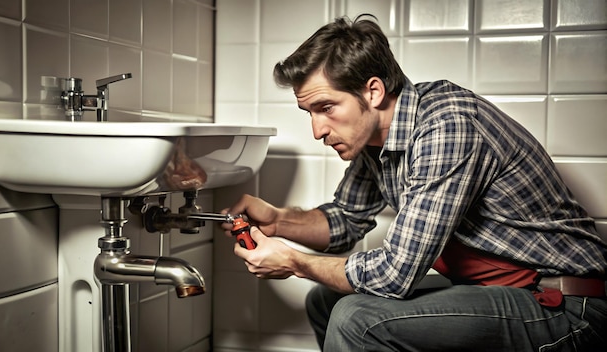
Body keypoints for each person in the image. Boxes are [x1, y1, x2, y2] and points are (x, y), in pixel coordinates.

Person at [221, 15, 607, 351]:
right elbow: (344, 221)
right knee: (325, 301)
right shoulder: (377, 141)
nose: (317, 130)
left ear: (372, 91)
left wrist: (294, 261)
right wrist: (276, 220)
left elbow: (395, 276)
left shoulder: (445, 126)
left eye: (326, 108)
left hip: (565, 305)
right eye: (309, 113)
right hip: (500, 293)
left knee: (357, 319)